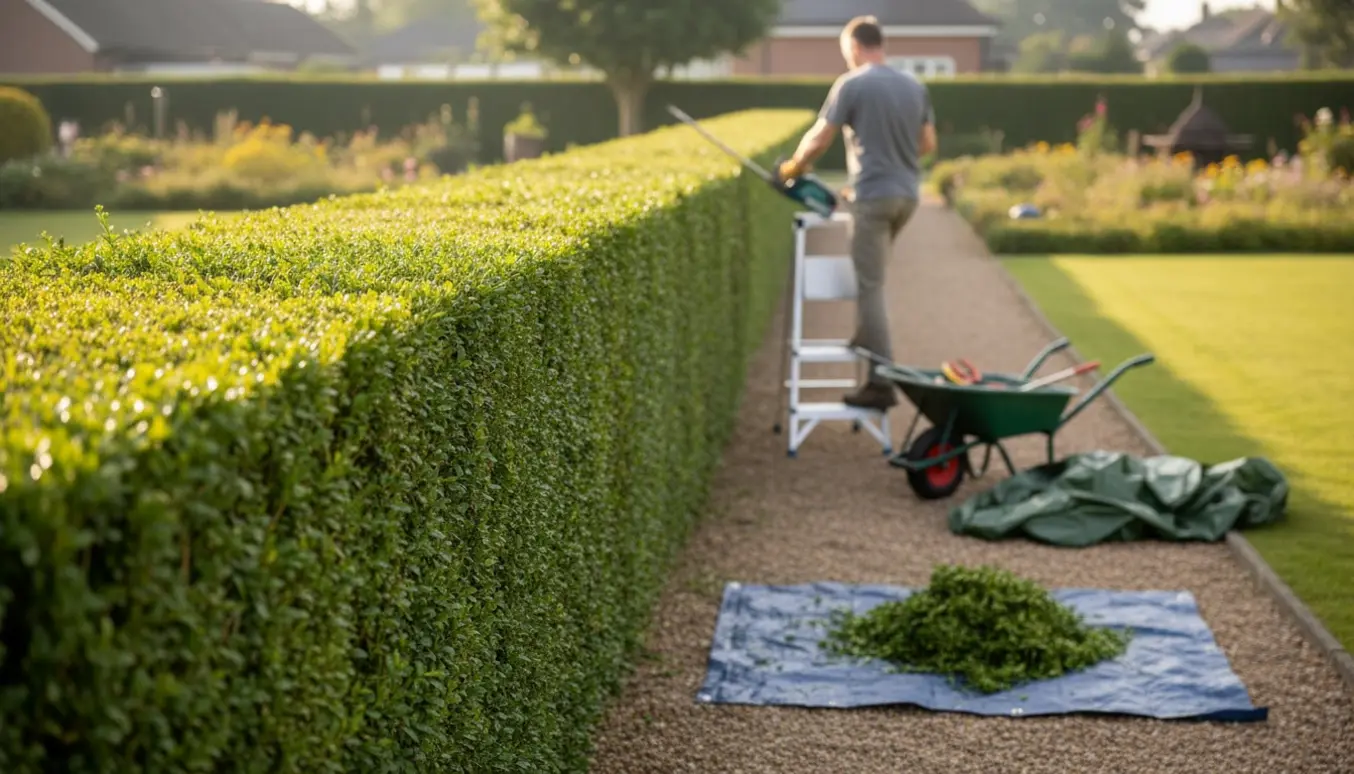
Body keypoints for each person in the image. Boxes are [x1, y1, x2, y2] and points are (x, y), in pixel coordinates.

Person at [777, 15, 937, 411]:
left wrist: (793, 167)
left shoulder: (852, 83)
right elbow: (929, 143)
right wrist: (896, 166)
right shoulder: (914, 86)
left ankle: (880, 384)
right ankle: (866, 338)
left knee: (870, 285)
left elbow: (821, 136)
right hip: (906, 198)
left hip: (873, 199)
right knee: (875, 275)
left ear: (854, 48)